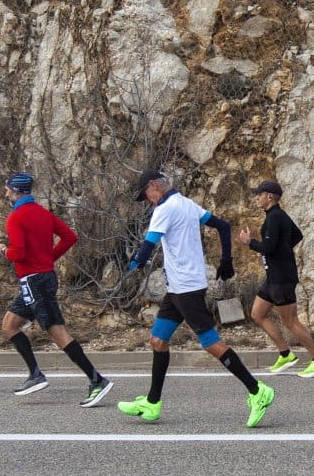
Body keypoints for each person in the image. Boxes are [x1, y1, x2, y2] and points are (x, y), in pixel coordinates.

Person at [116, 170, 275, 427]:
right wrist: (226, 260)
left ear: (154, 185)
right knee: (158, 340)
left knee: (211, 343)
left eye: (145, 195)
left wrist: (132, 265)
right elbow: (222, 226)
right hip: (179, 288)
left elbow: (148, 247)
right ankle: (152, 403)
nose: (147, 201)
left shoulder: (164, 209)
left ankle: (257, 391)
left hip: (186, 289)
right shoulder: (187, 204)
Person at [0, 171, 112, 407]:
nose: (6, 193)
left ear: (16, 191)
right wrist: (48, 259)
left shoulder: (15, 218)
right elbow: (69, 237)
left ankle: (97, 380)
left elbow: (18, 253)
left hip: (34, 281)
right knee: (9, 325)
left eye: (7, 189)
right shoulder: (43, 213)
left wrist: (2, 250)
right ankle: (35, 374)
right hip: (41, 279)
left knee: (57, 332)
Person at [236, 180, 314, 378]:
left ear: (269, 196)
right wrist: (283, 250)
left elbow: (268, 248)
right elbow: (297, 235)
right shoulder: (278, 216)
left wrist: (249, 242)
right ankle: (285, 354)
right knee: (257, 314)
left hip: (282, 278)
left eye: (259, 194)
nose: (257, 198)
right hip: (273, 277)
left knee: (290, 321)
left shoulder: (275, 217)